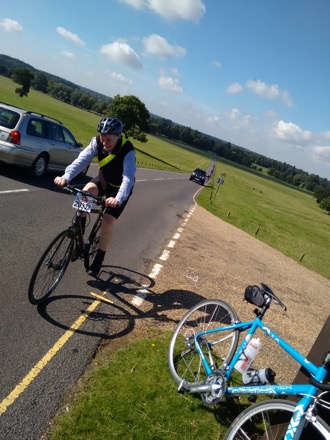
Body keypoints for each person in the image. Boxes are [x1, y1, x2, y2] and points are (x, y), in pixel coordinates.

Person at [54, 116, 136, 276]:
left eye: (109, 139)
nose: (105, 143)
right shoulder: (96, 142)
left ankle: (98, 259)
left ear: (118, 136)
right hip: (104, 180)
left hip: (119, 189)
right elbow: (82, 160)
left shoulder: (127, 150)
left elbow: (128, 177)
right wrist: (66, 177)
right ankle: (79, 238)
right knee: (85, 192)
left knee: (107, 222)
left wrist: (118, 198)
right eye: (103, 138)